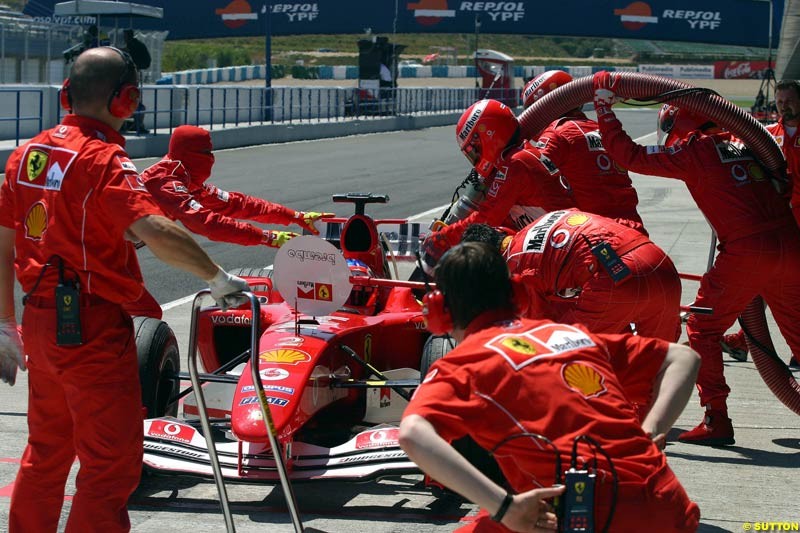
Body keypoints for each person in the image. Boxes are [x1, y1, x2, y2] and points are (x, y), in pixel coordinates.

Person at [0, 46, 250, 533]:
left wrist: (4, 322)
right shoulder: (103, 159)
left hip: (38, 323)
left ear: (65, 94)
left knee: (46, 453)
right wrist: (217, 278)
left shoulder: (26, 153)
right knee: (111, 466)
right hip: (90, 327)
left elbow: (1, 245)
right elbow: (156, 231)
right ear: (127, 100)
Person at [399, 242, 701, 533]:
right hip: (667, 503)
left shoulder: (465, 364)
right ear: (517, 293)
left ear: (439, 312)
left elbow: (413, 433)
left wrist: (504, 508)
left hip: (587, 511)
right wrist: (650, 430)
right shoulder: (572, 335)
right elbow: (683, 357)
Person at [592, 70, 800, 446]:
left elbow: (628, 154)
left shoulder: (694, 151)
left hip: (747, 251)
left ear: (679, 120)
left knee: (704, 328)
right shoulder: (749, 142)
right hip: (790, 243)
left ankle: (715, 419)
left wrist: (604, 109)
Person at [462, 210, 681, 341]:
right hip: (660, 262)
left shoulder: (517, 265)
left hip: (615, 280)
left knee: (560, 349)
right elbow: (627, 225)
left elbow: (538, 325)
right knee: (657, 368)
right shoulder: (548, 218)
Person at [420, 99, 575, 272]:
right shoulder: (521, 157)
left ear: (488, 136)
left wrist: (443, 238)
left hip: (560, 252)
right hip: (559, 244)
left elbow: (485, 219)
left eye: (473, 150)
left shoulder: (516, 164)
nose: (474, 158)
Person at [141, 125, 332, 247]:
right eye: (207, 152)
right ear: (191, 154)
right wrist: (266, 237)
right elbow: (206, 224)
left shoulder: (186, 180)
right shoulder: (166, 182)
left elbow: (238, 204)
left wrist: (296, 216)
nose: (211, 158)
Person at [522, 70, 646, 233]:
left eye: (532, 110)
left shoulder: (558, 134)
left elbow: (526, 174)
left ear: (544, 106)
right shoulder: (601, 129)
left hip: (597, 234)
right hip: (633, 228)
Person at [122, 29, 151, 134]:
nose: (124, 38)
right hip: (138, 68)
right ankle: (136, 124)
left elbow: (126, 52)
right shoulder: (135, 43)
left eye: (124, 36)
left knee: (135, 102)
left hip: (137, 68)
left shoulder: (132, 44)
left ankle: (138, 125)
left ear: (128, 36)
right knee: (135, 101)